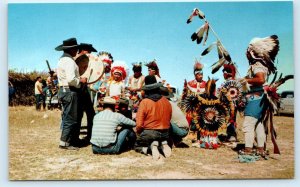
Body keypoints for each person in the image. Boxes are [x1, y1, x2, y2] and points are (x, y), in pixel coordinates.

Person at [240, 35, 279, 158]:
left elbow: (260, 79)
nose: (245, 53)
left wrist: (245, 79)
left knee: (249, 124)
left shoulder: (257, 64)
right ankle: (260, 149)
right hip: (260, 98)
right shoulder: (259, 63)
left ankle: (248, 150)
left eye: (247, 50)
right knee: (259, 124)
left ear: (251, 51)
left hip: (256, 98)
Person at [55, 37, 87, 150]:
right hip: (69, 91)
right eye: (75, 49)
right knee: (70, 118)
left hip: (64, 90)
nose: (77, 51)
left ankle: (72, 140)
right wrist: (81, 81)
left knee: (70, 116)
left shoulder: (61, 60)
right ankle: (64, 143)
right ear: (72, 49)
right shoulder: (69, 61)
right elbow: (71, 79)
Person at [134, 75, 172, 160]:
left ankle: (150, 148)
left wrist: (138, 133)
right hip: (165, 133)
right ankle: (163, 143)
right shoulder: (166, 101)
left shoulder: (145, 102)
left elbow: (139, 124)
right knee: (159, 137)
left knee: (136, 145)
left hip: (150, 132)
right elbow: (169, 119)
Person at [75, 43, 98, 143]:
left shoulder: (88, 60)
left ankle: (90, 136)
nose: (90, 53)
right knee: (77, 114)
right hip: (76, 90)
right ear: (82, 50)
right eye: (88, 51)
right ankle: (75, 137)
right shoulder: (74, 60)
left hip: (85, 90)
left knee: (90, 113)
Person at [181, 60, 206, 144]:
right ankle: (185, 134)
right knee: (188, 118)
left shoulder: (205, 84)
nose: (201, 76)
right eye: (199, 74)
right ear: (195, 75)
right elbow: (185, 95)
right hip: (191, 107)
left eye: (202, 74)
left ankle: (200, 136)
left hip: (202, 107)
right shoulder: (190, 83)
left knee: (201, 121)